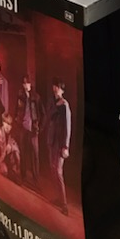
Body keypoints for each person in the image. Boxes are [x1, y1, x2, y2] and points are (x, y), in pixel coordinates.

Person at [45, 78, 72, 215]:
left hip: (60, 143)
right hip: (52, 140)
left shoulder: (64, 105)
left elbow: (67, 126)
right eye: (55, 86)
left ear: (62, 90)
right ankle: (58, 198)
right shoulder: (53, 102)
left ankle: (64, 204)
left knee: (58, 171)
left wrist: (65, 146)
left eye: (58, 87)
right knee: (52, 169)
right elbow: (48, 117)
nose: (56, 89)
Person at [15, 74, 44, 188]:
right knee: (23, 153)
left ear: (30, 84)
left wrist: (39, 127)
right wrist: (17, 121)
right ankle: (23, 177)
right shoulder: (20, 95)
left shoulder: (36, 97)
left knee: (35, 155)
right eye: (24, 83)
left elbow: (43, 114)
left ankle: (36, 180)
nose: (25, 85)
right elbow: (16, 110)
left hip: (33, 130)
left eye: (27, 83)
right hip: (22, 128)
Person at [0, 113, 21, 181]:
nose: (9, 127)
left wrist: (11, 147)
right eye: (7, 124)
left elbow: (16, 148)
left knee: (16, 153)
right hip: (1, 159)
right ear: (3, 123)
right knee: (5, 171)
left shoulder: (11, 134)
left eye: (10, 125)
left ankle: (13, 172)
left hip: (9, 160)